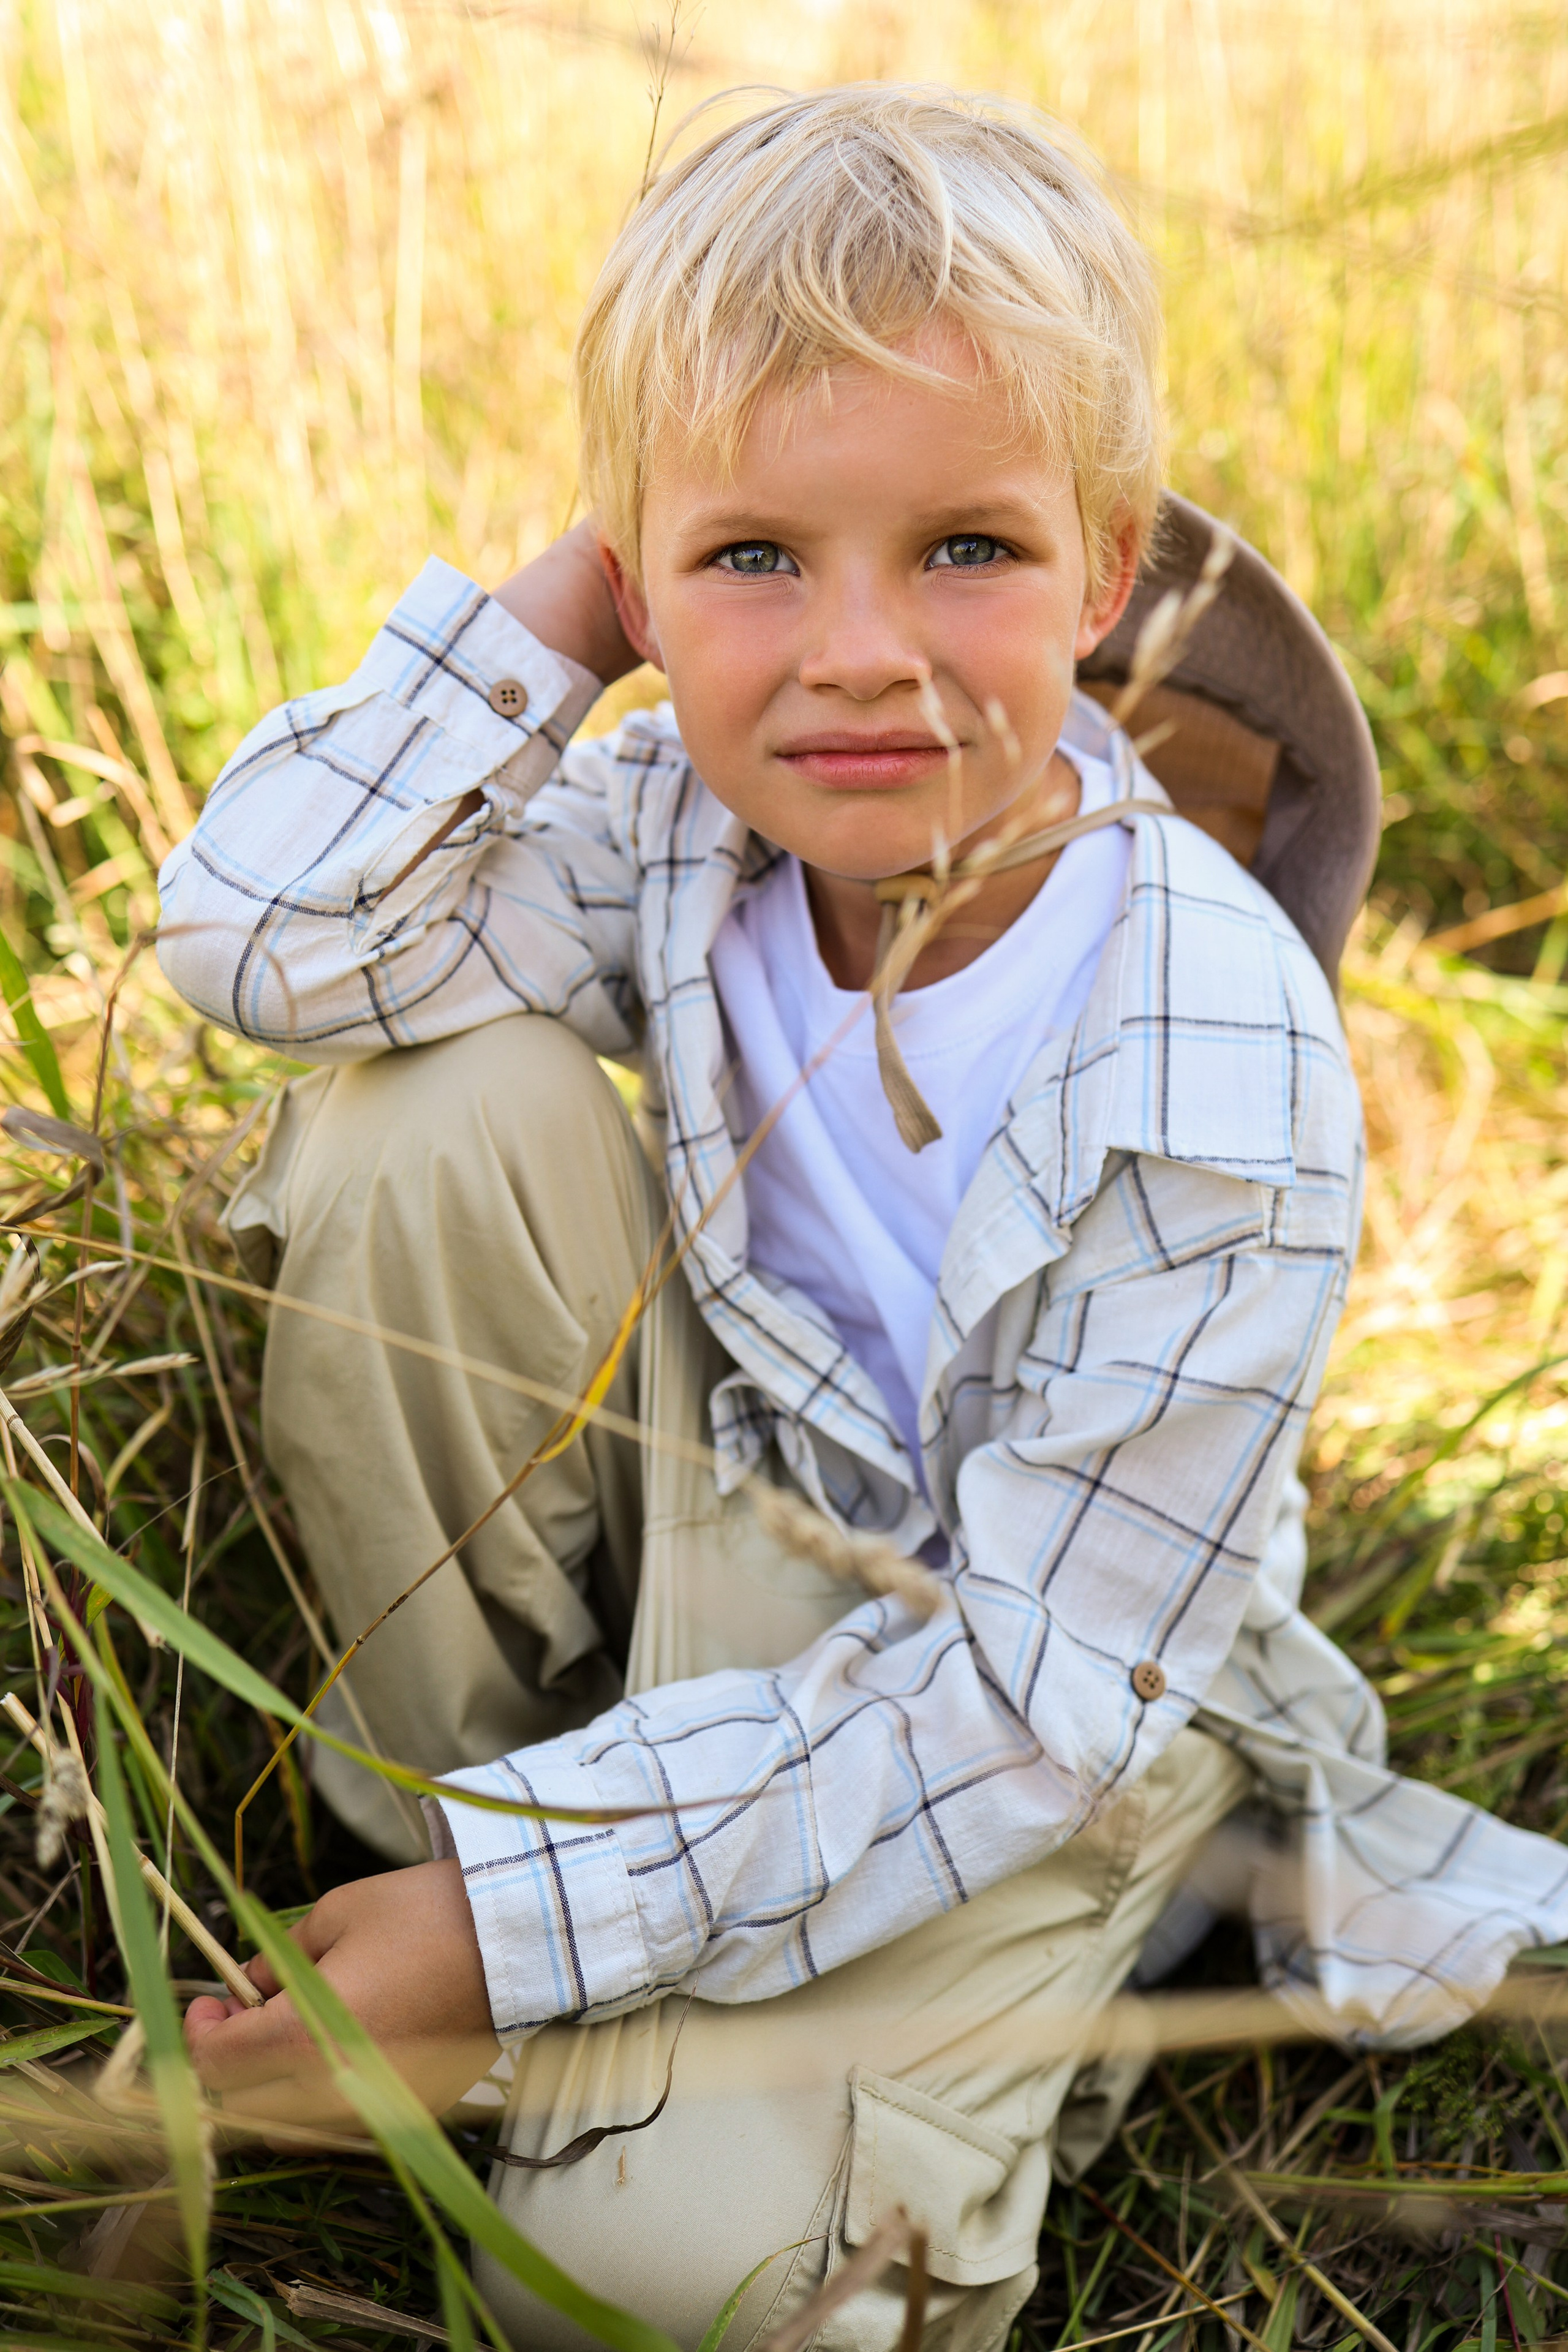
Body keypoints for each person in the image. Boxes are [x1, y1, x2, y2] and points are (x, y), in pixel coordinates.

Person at [161, 85, 1568, 2351]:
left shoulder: (1207, 1059)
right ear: (641, 571)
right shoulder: (684, 840)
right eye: (750, 560)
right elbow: (261, 939)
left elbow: (1034, 1695)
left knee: (629, 2297)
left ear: (1113, 571)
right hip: (746, 1526)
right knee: (422, 1105)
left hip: (1034, 1698)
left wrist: (530, 1929)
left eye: (966, 551)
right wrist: (550, 629)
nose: (857, 654)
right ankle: (436, 1851)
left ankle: (551, 1972)